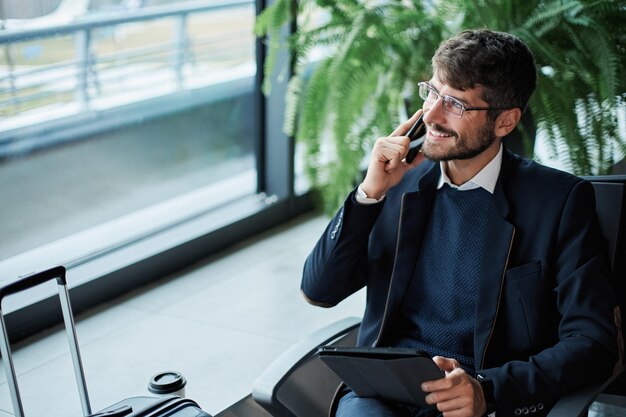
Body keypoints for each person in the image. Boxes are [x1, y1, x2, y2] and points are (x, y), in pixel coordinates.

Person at [301, 29, 620, 417]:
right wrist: (369, 195)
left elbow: (593, 342)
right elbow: (320, 289)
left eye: (455, 103)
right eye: (432, 92)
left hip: (480, 401)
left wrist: (489, 389)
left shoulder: (558, 201)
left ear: (505, 121)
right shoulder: (397, 183)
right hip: (383, 396)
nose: (432, 115)